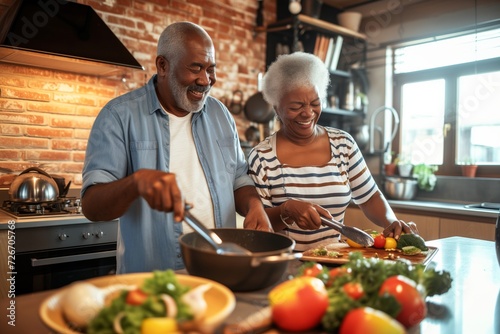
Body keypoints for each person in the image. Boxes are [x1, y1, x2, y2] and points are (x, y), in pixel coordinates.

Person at [81, 21, 272, 273]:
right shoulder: (119, 116)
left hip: (219, 268)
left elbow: (238, 178)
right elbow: (92, 206)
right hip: (154, 277)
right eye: (195, 68)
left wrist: (254, 206)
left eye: (211, 69)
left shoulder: (220, 114)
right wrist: (136, 182)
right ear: (163, 65)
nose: (205, 80)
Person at [247, 52, 418, 252]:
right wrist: (286, 212)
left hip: (335, 259)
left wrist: (391, 222)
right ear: (277, 107)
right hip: (286, 264)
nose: (308, 113)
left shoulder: (343, 144)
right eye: (296, 106)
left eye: (315, 103)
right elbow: (260, 224)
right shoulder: (262, 157)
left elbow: (370, 197)